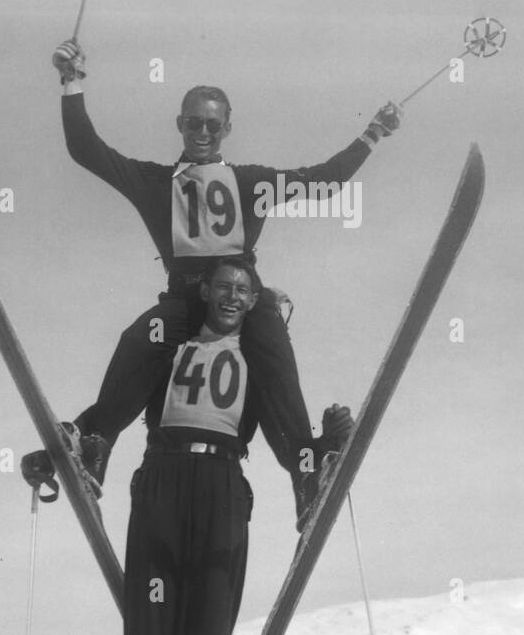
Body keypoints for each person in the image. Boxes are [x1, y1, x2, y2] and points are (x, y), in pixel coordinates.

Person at [40, 36, 400, 525]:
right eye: (193, 123)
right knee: (139, 342)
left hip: (241, 298)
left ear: (227, 128)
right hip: (186, 301)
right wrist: (72, 79)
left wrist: (374, 133)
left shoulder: (251, 182)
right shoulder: (154, 182)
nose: (202, 132)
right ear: (180, 125)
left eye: (212, 124)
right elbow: (86, 149)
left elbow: (324, 179)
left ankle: (307, 471)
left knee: (273, 358)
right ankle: (94, 443)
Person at [118, 256, 347, 635]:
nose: (232, 296)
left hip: (223, 490)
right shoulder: (172, 345)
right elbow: (120, 398)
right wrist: (71, 443)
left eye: (244, 290)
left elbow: (281, 426)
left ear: (253, 301)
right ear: (205, 291)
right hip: (163, 486)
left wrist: (314, 456)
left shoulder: (256, 359)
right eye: (223, 286)